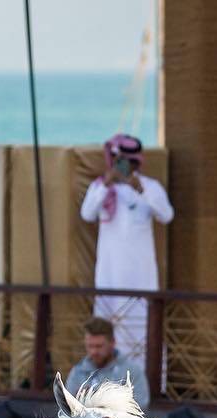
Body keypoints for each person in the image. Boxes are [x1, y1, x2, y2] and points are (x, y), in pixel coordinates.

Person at [79, 134, 173, 366]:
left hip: (139, 277)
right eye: (119, 161)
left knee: (140, 327)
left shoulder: (150, 187)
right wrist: (106, 185)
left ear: (136, 163)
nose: (124, 167)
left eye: (128, 162)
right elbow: (87, 213)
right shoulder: (100, 187)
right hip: (109, 276)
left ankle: (147, 383)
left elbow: (167, 215)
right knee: (107, 325)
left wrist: (142, 191)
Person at [67, 316, 151, 410]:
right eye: (90, 346)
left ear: (112, 343)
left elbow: (141, 405)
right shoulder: (78, 372)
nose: (94, 352)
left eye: (99, 346)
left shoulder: (132, 371)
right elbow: (67, 408)